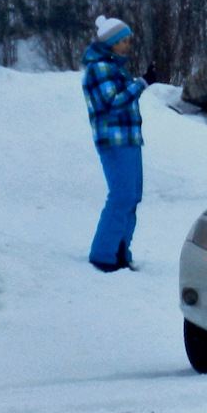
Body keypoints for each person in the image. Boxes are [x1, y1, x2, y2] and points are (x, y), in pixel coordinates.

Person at [82, 15, 154, 272]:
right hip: (113, 141)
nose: (127, 45)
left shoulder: (114, 68)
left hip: (129, 140)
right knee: (122, 196)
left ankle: (120, 252)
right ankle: (103, 255)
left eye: (128, 40)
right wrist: (141, 84)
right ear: (110, 42)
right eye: (122, 41)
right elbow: (112, 104)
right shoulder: (99, 68)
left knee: (132, 196)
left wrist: (139, 83)